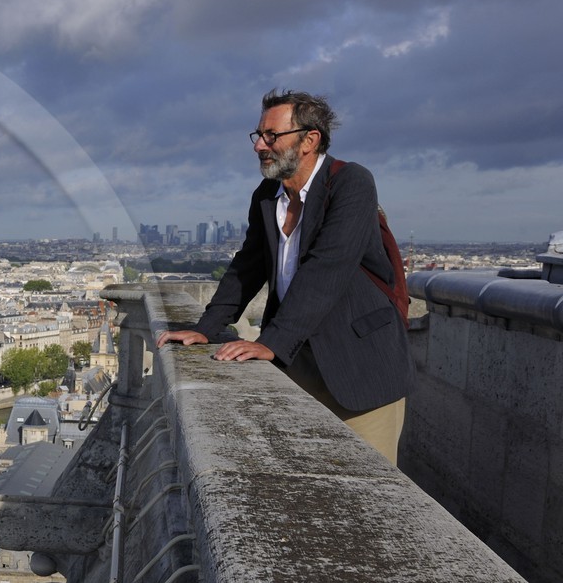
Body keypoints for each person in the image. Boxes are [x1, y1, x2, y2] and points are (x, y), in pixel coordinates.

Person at [158, 89, 412, 463]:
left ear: (310, 140)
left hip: (361, 368)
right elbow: (249, 265)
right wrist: (207, 327)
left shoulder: (351, 182)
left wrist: (271, 341)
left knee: (368, 488)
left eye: (271, 136)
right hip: (299, 365)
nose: (260, 145)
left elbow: (328, 268)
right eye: (258, 135)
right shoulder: (266, 195)